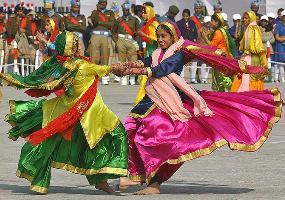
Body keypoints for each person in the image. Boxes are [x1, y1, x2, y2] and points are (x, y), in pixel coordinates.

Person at [117, 21, 281, 195]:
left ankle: (154, 183)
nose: (159, 39)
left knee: (162, 141)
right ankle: (133, 175)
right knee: (129, 132)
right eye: (158, 36)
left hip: (172, 102)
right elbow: (146, 62)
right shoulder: (158, 52)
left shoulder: (179, 53)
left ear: (173, 37)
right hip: (149, 100)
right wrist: (128, 66)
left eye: (163, 36)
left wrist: (133, 72)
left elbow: (163, 69)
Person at [0, 31, 129, 194]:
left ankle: (43, 180)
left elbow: (57, 50)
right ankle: (116, 175)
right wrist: (122, 67)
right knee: (116, 135)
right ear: (72, 49)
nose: (80, 46)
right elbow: (108, 68)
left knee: (61, 145)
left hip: (67, 112)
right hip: (86, 114)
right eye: (77, 44)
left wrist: (46, 42)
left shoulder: (59, 63)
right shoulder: (83, 66)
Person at [231, 11, 268, 92]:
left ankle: (245, 95)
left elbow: (251, 45)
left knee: (246, 76)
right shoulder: (254, 27)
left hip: (250, 56)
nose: (244, 20)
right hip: (252, 56)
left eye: (246, 18)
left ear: (251, 18)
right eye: (243, 18)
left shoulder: (251, 28)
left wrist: (246, 52)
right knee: (250, 75)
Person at [134, 5, 159, 104]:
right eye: (142, 12)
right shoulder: (147, 24)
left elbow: (158, 40)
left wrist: (144, 35)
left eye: (144, 12)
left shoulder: (154, 25)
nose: (143, 14)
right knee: (146, 75)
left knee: (151, 75)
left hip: (155, 53)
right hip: (149, 52)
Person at [113, 2, 140, 85]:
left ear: (129, 10)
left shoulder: (134, 19)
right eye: (124, 10)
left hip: (131, 40)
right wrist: (116, 42)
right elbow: (113, 31)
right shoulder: (119, 20)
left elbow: (138, 32)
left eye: (127, 10)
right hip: (121, 40)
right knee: (121, 60)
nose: (125, 11)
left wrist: (136, 42)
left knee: (133, 59)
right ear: (122, 10)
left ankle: (132, 79)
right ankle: (123, 78)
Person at [89, 0, 115, 85]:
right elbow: (94, 21)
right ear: (99, 4)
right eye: (101, 3)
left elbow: (111, 24)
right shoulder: (94, 12)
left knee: (105, 57)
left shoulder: (110, 12)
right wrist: (97, 11)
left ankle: (105, 76)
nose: (103, 4)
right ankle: (93, 76)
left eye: (105, 3)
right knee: (94, 57)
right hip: (95, 35)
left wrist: (100, 22)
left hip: (105, 36)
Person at [210, 13, 237, 91]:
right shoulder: (223, 30)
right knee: (223, 78)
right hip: (223, 57)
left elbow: (212, 46)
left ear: (217, 22)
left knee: (222, 79)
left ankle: (233, 92)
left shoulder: (218, 32)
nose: (211, 22)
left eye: (212, 20)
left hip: (219, 58)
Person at [197, 16, 212, 83]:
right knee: (203, 63)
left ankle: (205, 78)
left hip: (208, 48)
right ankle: (202, 78)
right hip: (202, 48)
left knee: (208, 63)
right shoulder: (202, 29)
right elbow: (204, 38)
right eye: (208, 22)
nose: (209, 23)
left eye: (210, 22)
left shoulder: (210, 29)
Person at [274, 10, 285, 83]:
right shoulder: (278, 25)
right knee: (280, 62)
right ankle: (281, 78)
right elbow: (277, 37)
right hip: (280, 45)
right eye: (284, 16)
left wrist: (283, 37)